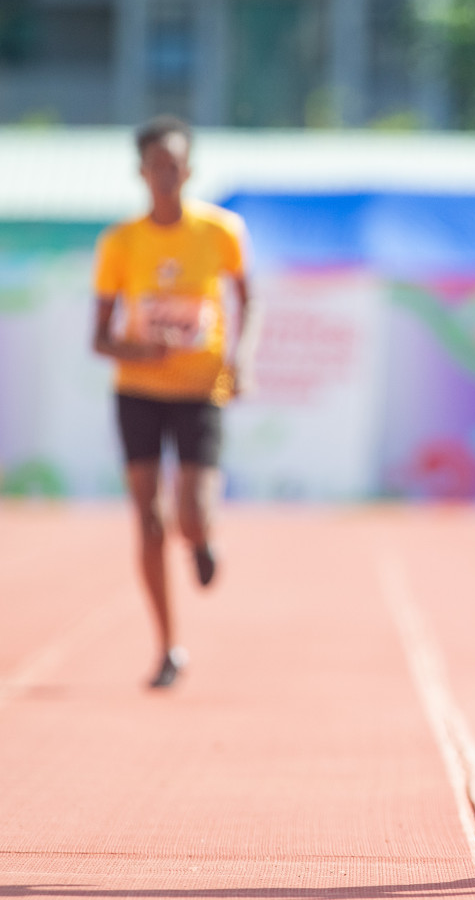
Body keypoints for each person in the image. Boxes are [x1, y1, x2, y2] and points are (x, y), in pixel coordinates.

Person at [92, 116, 254, 689]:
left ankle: (204, 537)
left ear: (189, 169)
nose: (166, 175)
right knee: (147, 519)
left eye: (175, 165)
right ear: (141, 172)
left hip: (199, 389)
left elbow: (245, 297)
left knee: (188, 514)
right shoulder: (121, 243)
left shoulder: (221, 233)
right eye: (156, 166)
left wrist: (240, 357)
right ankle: (167, 646)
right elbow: (100, 338)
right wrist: (143, 346)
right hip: (138, 390)